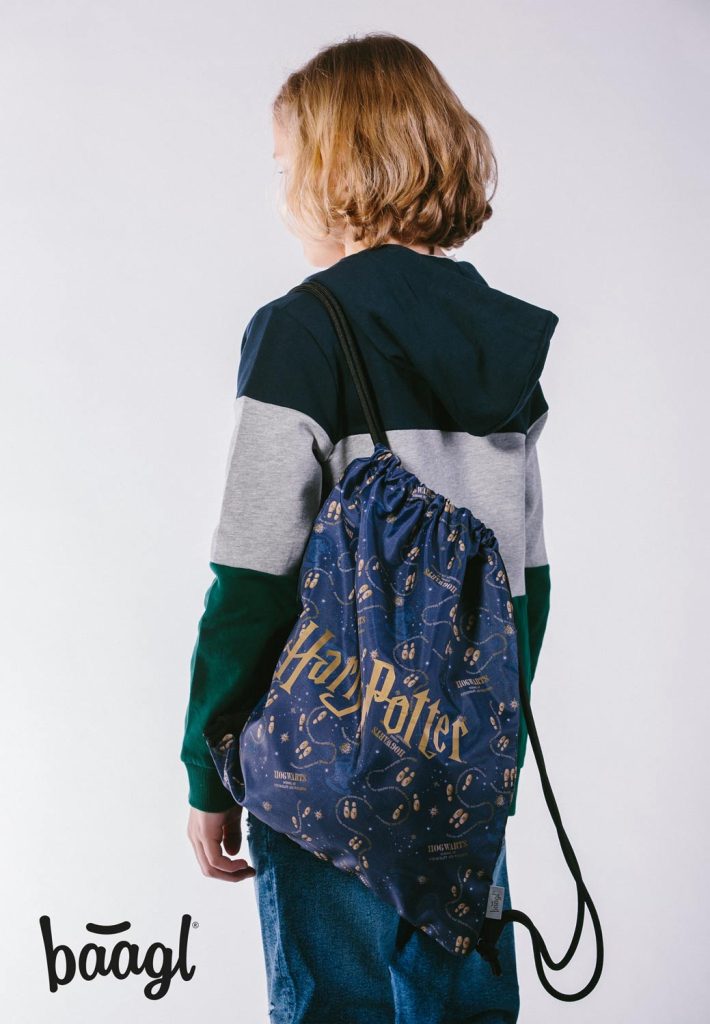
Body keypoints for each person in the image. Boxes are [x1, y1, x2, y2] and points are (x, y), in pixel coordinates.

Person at [181, 31, 555, 1024]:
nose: (280, 195)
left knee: (333, 1009)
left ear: (331, 169)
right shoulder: (504, 343)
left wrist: (207, 763)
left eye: (284, 167)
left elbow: (252, 579)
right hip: (457, 777)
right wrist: (487, 766)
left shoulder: (300, 330)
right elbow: (526, 588)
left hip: (324, 773)